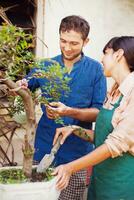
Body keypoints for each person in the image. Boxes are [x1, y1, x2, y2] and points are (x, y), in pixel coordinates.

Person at [18, 15, 106, 199]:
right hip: (43, 144)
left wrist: (69, 111)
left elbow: (98, 113)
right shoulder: (46, 65)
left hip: (76, 152)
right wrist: (22, 84)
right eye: (63, 41)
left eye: (74, 43)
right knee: (39, 194)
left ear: (86, 41)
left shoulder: (96, 69)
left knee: (71, 195)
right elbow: (28, 83)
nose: (67, 47)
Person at [52, 36, 134, 200]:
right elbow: (103, 136)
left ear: (118, 55)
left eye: (105, 53)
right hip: (100, 180)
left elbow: (115, 143)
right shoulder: (114, 91)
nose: (101, 59)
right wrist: (75, 130)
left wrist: (69, 168)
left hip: (121, 184)